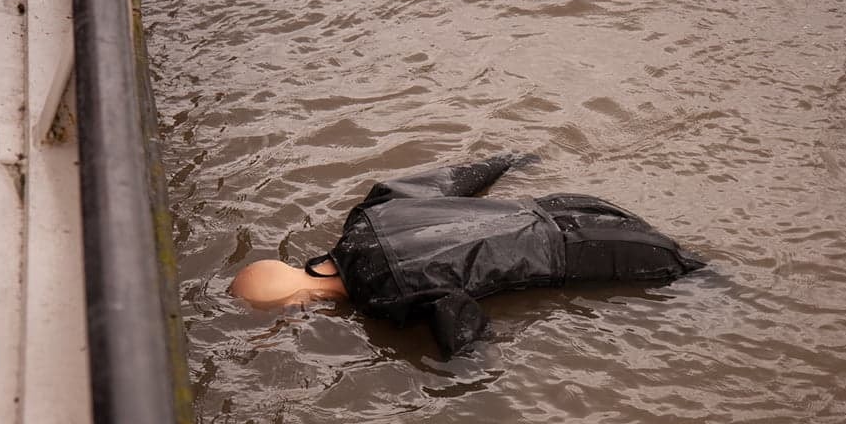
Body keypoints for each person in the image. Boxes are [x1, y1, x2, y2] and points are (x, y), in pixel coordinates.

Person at [231, 154, 704, 356]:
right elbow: (448, 179)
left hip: (585, 252)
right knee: (703, 270)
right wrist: (509, 159)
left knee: (707, 281)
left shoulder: (385, 298)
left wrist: (468, 375)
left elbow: (460, 321)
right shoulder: (364, 220)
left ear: (299, 307)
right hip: (564, 204)